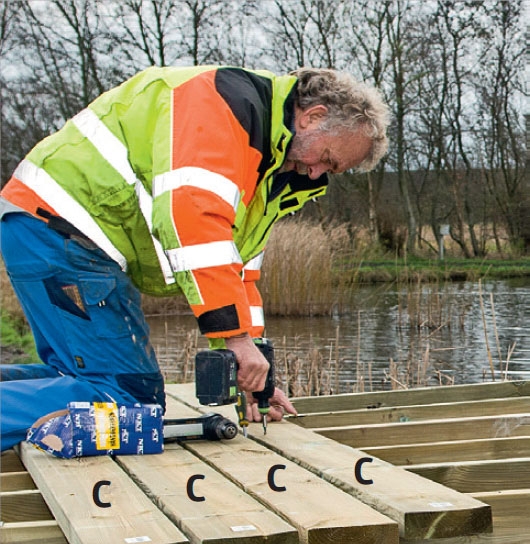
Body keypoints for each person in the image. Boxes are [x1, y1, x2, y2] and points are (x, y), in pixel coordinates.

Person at [0, 66, 390, 451]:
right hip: (62, 225)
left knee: (84, 376)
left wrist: (250, 370)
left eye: (332, 170)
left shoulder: (266, 166)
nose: (317, 173)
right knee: (128, 402)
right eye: (327, 158)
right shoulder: (225, 108)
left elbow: (238, 271)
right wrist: (235, 339)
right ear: (313, 116)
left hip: (50, 228)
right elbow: (193, 222)